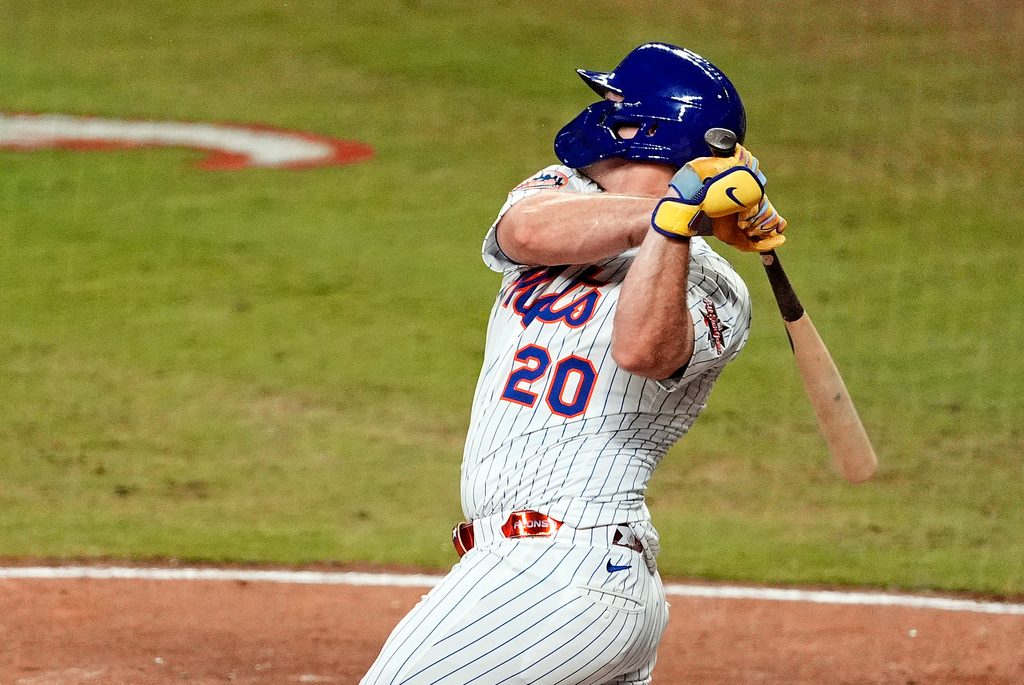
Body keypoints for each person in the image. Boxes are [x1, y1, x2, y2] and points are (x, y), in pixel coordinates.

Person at [361, 41, 787, 685]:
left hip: (568, 574)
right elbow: (524, 233)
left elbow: (643, 350)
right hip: (536, 574)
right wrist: (672, 211)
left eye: (613, 106)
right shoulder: (562, 192)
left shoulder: (716, 289)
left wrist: (675, 231)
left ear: (644, 130)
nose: (598, 116)